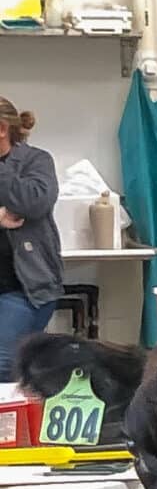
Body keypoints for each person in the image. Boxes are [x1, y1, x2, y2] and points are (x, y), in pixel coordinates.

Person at [0, 99, 64, 373]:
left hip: (23, 289)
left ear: (2, 129)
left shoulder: (35, 161)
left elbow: (34, 201)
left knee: (3, 365)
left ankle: (13, 417)